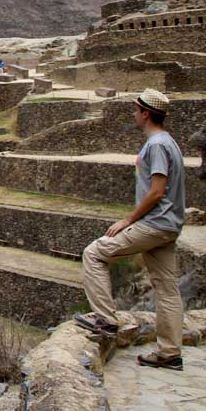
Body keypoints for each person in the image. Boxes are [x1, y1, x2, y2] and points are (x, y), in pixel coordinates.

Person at [75, 89, 185, 371]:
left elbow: (157, 191)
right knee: (167, 289)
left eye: (135, 110)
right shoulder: (168, 142)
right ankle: (170, 353)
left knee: (94, 253)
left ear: (146, 113)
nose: (133, 115)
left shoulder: (157, 145)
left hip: (154, 223)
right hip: (168, 225)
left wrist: (128, 220)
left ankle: (105, 320)